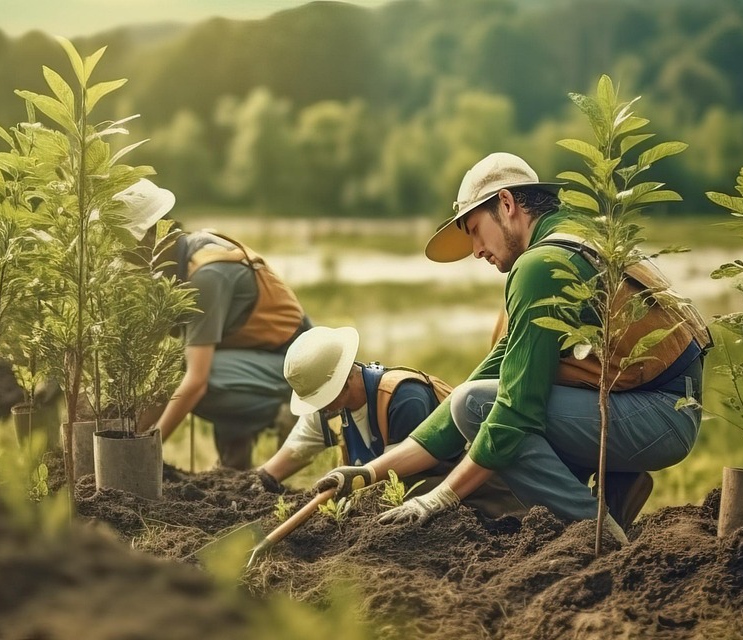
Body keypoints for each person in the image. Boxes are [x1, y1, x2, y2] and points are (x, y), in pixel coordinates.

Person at [314, 152, 710, 540]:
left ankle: (596, 532)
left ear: (506, 203)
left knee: (484, 411)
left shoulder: (539, 267)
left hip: (659, 415)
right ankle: (615, 495)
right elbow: (482, 382)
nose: (476, 251)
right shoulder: (576, 237)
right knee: (474, 403)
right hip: (663, 410)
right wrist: (369, 472)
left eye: (473, 230)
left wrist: (439, 498)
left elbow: (510, 409)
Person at [118, 179, 313, 470]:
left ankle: (282, 412)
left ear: (151, 239)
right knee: (186, 369)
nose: (129, 261)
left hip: (296, 367)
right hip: (255, 356)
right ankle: (235, 465)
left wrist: (146, 448)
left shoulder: (206, 275)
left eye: (131, 250)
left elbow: (194, 381)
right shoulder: (181, 261)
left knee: (190, 375)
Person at [255, 325, 453, 484]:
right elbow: (283, 462)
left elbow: (394, 479)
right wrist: (255, 483)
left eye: (322, 398)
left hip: (451, 496)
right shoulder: (328, 409)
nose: (318, 407)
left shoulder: (405, 398)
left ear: (345, 380)